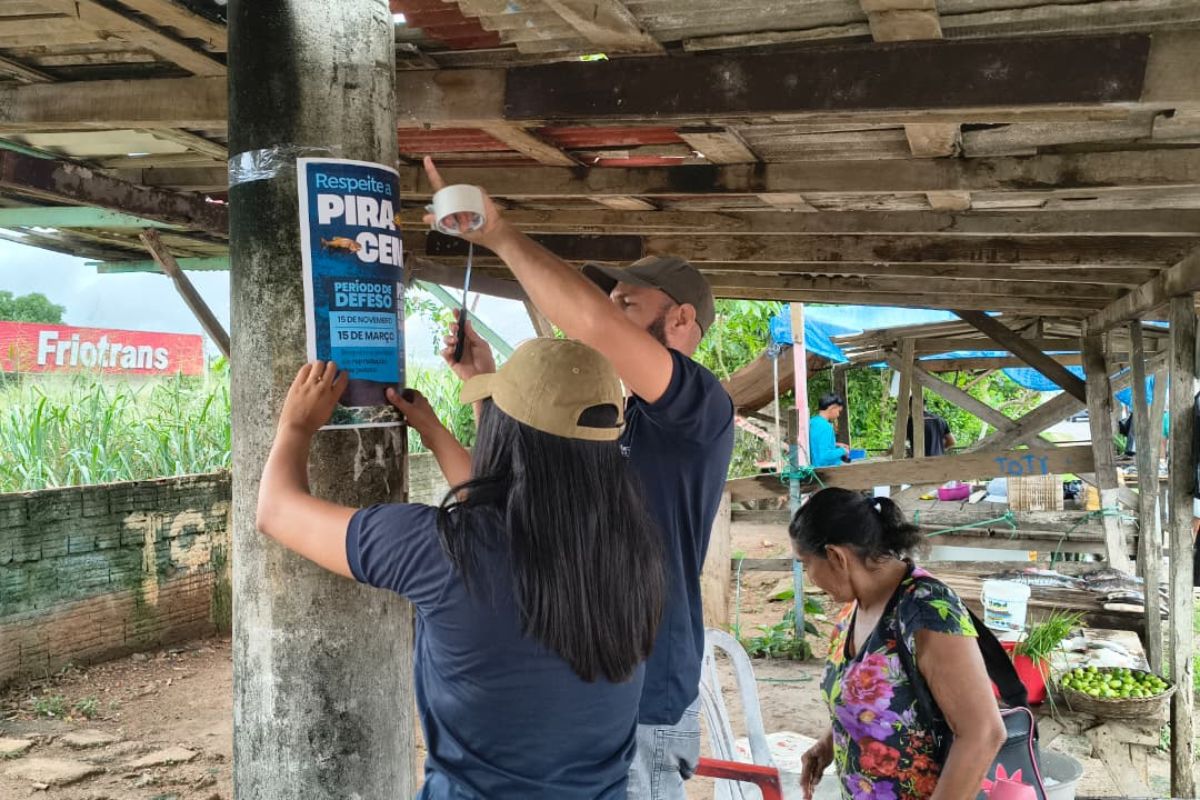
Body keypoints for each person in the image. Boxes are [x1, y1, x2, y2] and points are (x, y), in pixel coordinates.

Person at [425, 157, 735, 799]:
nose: (609, 313)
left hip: (644, 701)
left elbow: (590, 324)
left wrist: (499, 234)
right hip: (579, 691)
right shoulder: (600, 417)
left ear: (680, 321)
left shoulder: (697, 411)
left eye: (628, 303)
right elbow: (500, 493)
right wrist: (477, 389)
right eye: (613, 301)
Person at [255, 339, 667, 799]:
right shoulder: (635, 555)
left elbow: (275, 510)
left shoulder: (441, 551)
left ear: (503, 436)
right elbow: (515, 519)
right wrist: (432, 430)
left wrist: (296, 426)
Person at [791, 489, 1005, 800]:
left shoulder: (926, 609)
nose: (809, 577)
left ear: (837, 557)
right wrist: (828, 744)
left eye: (805, 563)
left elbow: (983, 733)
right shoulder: (854, 608)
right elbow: (880, 703)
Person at [810, 393, 850, 467]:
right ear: (832, 408)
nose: (838, 415)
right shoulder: (826, 427)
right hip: (823, 470)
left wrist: (836, 444)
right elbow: (824, 456)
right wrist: (843, 451)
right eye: (838, 411)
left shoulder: (812, 422)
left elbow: (816, 443)